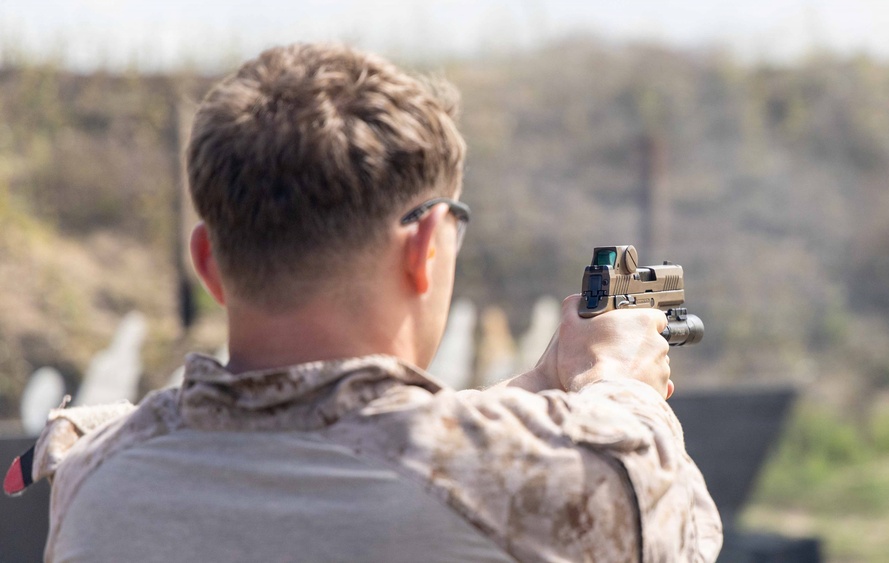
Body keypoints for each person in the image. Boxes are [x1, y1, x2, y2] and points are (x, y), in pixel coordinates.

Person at [12, 43, 722, 562]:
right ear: (424, 251)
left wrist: (535, 388)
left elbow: (332, 430)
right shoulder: (532, 478)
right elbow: (664, 517)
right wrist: (618, 380)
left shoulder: (96, 474)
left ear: (208, 263)